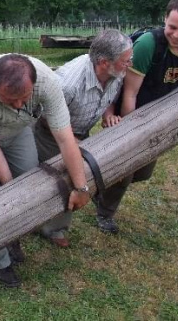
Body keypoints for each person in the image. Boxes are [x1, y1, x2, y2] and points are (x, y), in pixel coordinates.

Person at [0, 54, 90, 288]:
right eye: (8, 98)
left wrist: (81, 187)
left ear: (33, 85)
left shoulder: (48, 83)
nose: (17, 104)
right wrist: (10, 187)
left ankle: (12, 235)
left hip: (18, 126)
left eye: (23, 97)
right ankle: (0, 261)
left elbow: (65, 139)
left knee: (30, 178)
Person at [96, 0, 178, 235]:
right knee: (127, 168)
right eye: (171, 27)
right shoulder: (148, 44)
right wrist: (131, 133)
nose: (176, 34)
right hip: (130, 112)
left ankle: (99, 186)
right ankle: (105, 213)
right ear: (165, 19)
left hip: (157, 117)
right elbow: (130, 93)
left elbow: (177, 84)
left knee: (144, 172)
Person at [34, 29, 132, 241]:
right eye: (126, 61)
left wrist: (109, 114)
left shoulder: (116, 72)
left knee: (82, 172)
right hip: (50, 132)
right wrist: (72, 142)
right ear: (105, 62)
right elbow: (46, 117)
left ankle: (56, 221)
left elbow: (109, 97)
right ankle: (51, 229)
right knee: (64, 178)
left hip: (79, 131)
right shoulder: (68, 84)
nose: (129, 64)